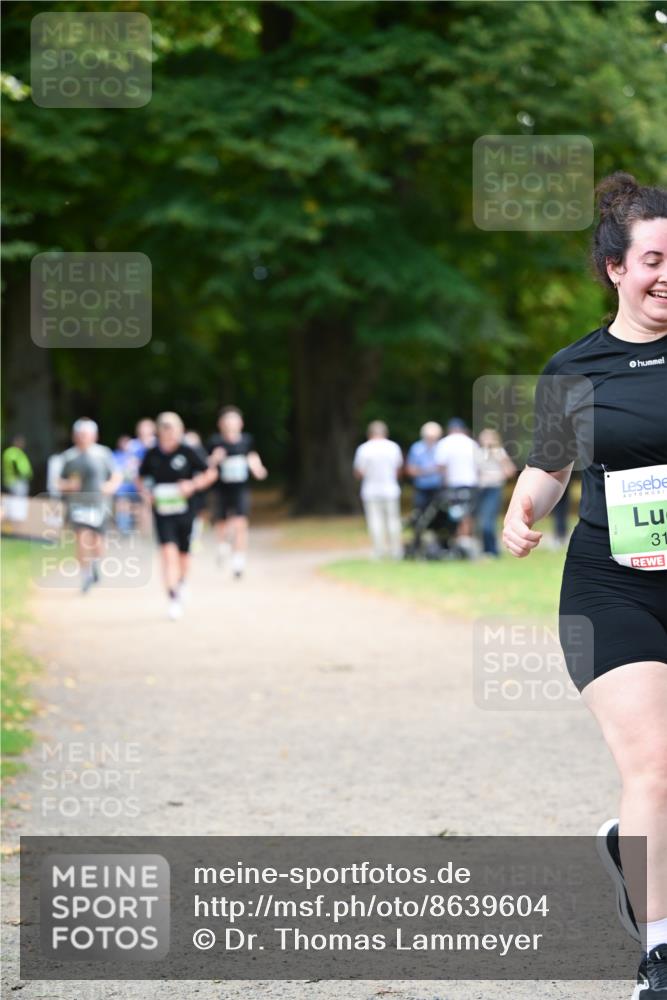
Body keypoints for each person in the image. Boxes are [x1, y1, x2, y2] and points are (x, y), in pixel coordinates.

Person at [502, 172, 667, 999]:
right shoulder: (575, 366)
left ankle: (629, 850)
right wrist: (519, 511)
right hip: (613, 587)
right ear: (615, 267)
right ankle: (660, 957)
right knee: (653, 764)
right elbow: (549, 467)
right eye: (653, 259)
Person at [138, 412, 216, 620]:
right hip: (163, 512)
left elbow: (210, 472)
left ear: (179, 430)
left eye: (172, 428)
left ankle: (182, 583)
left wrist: (192, 485)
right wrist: (146, 492)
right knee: (167, 553)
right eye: (164, 428)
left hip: (186, 510)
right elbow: (141, 477)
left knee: (183, 556)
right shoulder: (152, 453)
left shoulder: (188, 451)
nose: (168, 432)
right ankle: (172, 597)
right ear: (159, 431)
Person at [57, 418, 122, 593]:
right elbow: (58, 482)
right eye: (80, 435)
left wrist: (110, 487)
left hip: (100, 505)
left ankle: (94, 564)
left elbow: (116, 475)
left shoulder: (103, 454)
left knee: (98, 544)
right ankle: (85, 575)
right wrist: (68, 485)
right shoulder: (69, 457)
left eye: (86, 435)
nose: (83, 438)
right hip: (78, 506)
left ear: (94, 436)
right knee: (82, 539)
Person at [206, 406, 267, 579]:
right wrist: (214, 459)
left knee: (240, 523)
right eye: (227, 421)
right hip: (221, 489)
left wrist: (258, 468)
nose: (231, 425)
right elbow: (205, 463)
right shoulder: (215, 442)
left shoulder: (246, 440)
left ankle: (238, 561)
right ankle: (223, 545)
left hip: (240, 488)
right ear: (221, 424)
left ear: (240, 423)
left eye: (234, 421)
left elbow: (252, 456)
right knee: (221, 524)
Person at [353, 420, 403, 559]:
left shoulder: (364, 449)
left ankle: (378, 550)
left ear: (369, 434)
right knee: (393, 521)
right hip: (390, 489)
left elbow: (359, 472)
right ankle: (396, 550)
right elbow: (398, 470)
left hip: (370, 490)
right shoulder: (393, 447)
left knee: (375, 521)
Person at [434, 418, 482, 556]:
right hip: (470, 483)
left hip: (452, 484)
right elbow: (478, 465)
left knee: (453, 514)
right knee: (467, 514)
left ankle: (456, 543)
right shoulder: (471, 443)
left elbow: (440, 466)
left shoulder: (444, 443)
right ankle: (465, 541)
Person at [475, 428, 516, 557]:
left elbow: (510, 471)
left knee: (488, 521)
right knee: (480, 521)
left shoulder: (499, 453)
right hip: (480, 490)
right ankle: (485, 549)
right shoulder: (478, 453)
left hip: (494, 489)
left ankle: (492, 550)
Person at [405, 422, 444, 511]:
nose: (431, 440)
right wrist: (430, 470)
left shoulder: (441, 447)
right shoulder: (416, 448)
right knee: (419, 512)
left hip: (438, 487)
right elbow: (411, 470)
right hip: (421, 487)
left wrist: (422, 471)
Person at [2, 434, 33, 528]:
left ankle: (12, 525)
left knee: (11, 502)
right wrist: (24, 474)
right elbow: (17, 467)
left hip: (14, 481)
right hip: (16, 482)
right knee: (15, 503)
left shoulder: (14, 452)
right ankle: (14, 526)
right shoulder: (14, 453)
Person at [112, 435, 141, 535]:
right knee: (123, 505)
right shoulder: (115, 456)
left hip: (136, 489)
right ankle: (124, 530)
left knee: (140, 508)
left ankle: (142, 532)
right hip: (122, 490)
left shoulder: (137, 456)